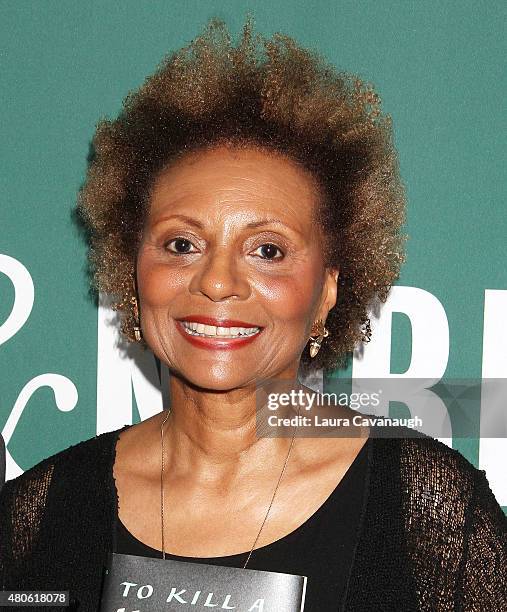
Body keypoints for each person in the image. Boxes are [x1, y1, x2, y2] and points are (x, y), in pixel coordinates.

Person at [0, 19, 505, 612]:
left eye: (267, 250)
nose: (217, 281)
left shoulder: (429, 511)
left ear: (326, 293)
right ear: (131, 271)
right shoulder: (42, 509)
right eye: (181, 244)